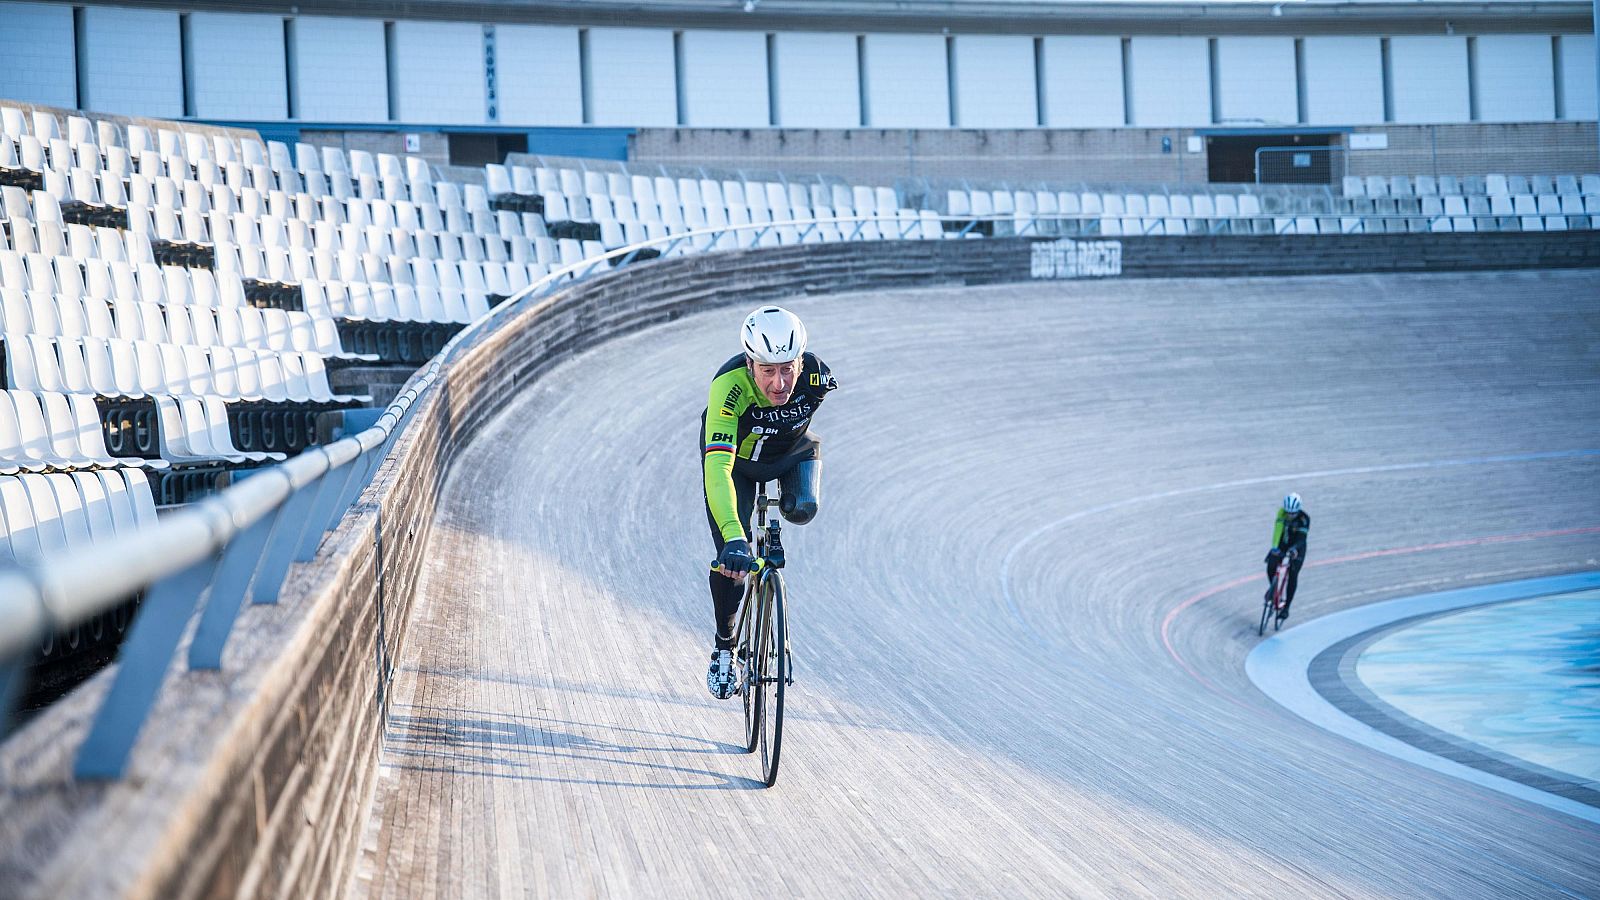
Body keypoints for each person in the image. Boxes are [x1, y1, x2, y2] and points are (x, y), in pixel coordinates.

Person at [701, 306, 836, 699]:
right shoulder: (728, 388)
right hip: (737, 466)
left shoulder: (816, 377)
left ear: (800, 361)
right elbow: (718, 468)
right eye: (767, 371)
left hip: (791, 454)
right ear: (750, 363)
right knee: (732, 560)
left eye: (787, 368)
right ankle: (726, 647)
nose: (779, 383)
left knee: (802, 509)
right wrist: (734, 538)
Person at [1265, 493, 1310, 619]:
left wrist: (1294, 549)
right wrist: (1274, 547)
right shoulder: (1281, 512)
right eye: (1288, 512)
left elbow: (1302, 539)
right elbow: (1277, 530)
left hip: (1297, 547)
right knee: (1271, 565)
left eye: (1293, 513)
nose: (1290, 515)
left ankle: (1286, 608)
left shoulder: (1304, 519)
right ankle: (1273, 590)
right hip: (1283, 543)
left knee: (1293, 574)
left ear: (1298, 510)